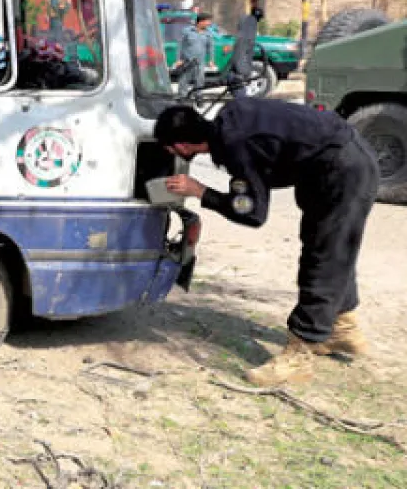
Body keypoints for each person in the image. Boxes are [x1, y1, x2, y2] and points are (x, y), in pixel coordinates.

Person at [156, 100, 377, 387]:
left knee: (325, 259)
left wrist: (200, 191)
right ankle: (343, 330)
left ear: (183, 147)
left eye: (171, 150)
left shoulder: (238, 145)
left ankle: (299, 354)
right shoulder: (230, 118)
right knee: (326, 249)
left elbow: (252, 212)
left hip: (343, 172)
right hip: (334, 164)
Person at [226, 0, 262, 97]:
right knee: (240, 96)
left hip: (240, 71)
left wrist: (254, 5)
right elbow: (239, 59)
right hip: (238, 74)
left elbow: (258, 14)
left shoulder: (248, 31)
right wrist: (245, 72)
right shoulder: (242, 37)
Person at [173, 12, 214, 98]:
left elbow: (210, 47)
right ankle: (182, 98)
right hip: (187, 61)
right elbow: (180, 46)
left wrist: (211, 60)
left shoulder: (208, 33)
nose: (209, 23)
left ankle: (198, 97)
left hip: (200, 63)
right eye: (208, 21)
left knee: (200, 81)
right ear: (201, 21)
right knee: (184, 81)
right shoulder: (187, 31)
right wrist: (178, 60)